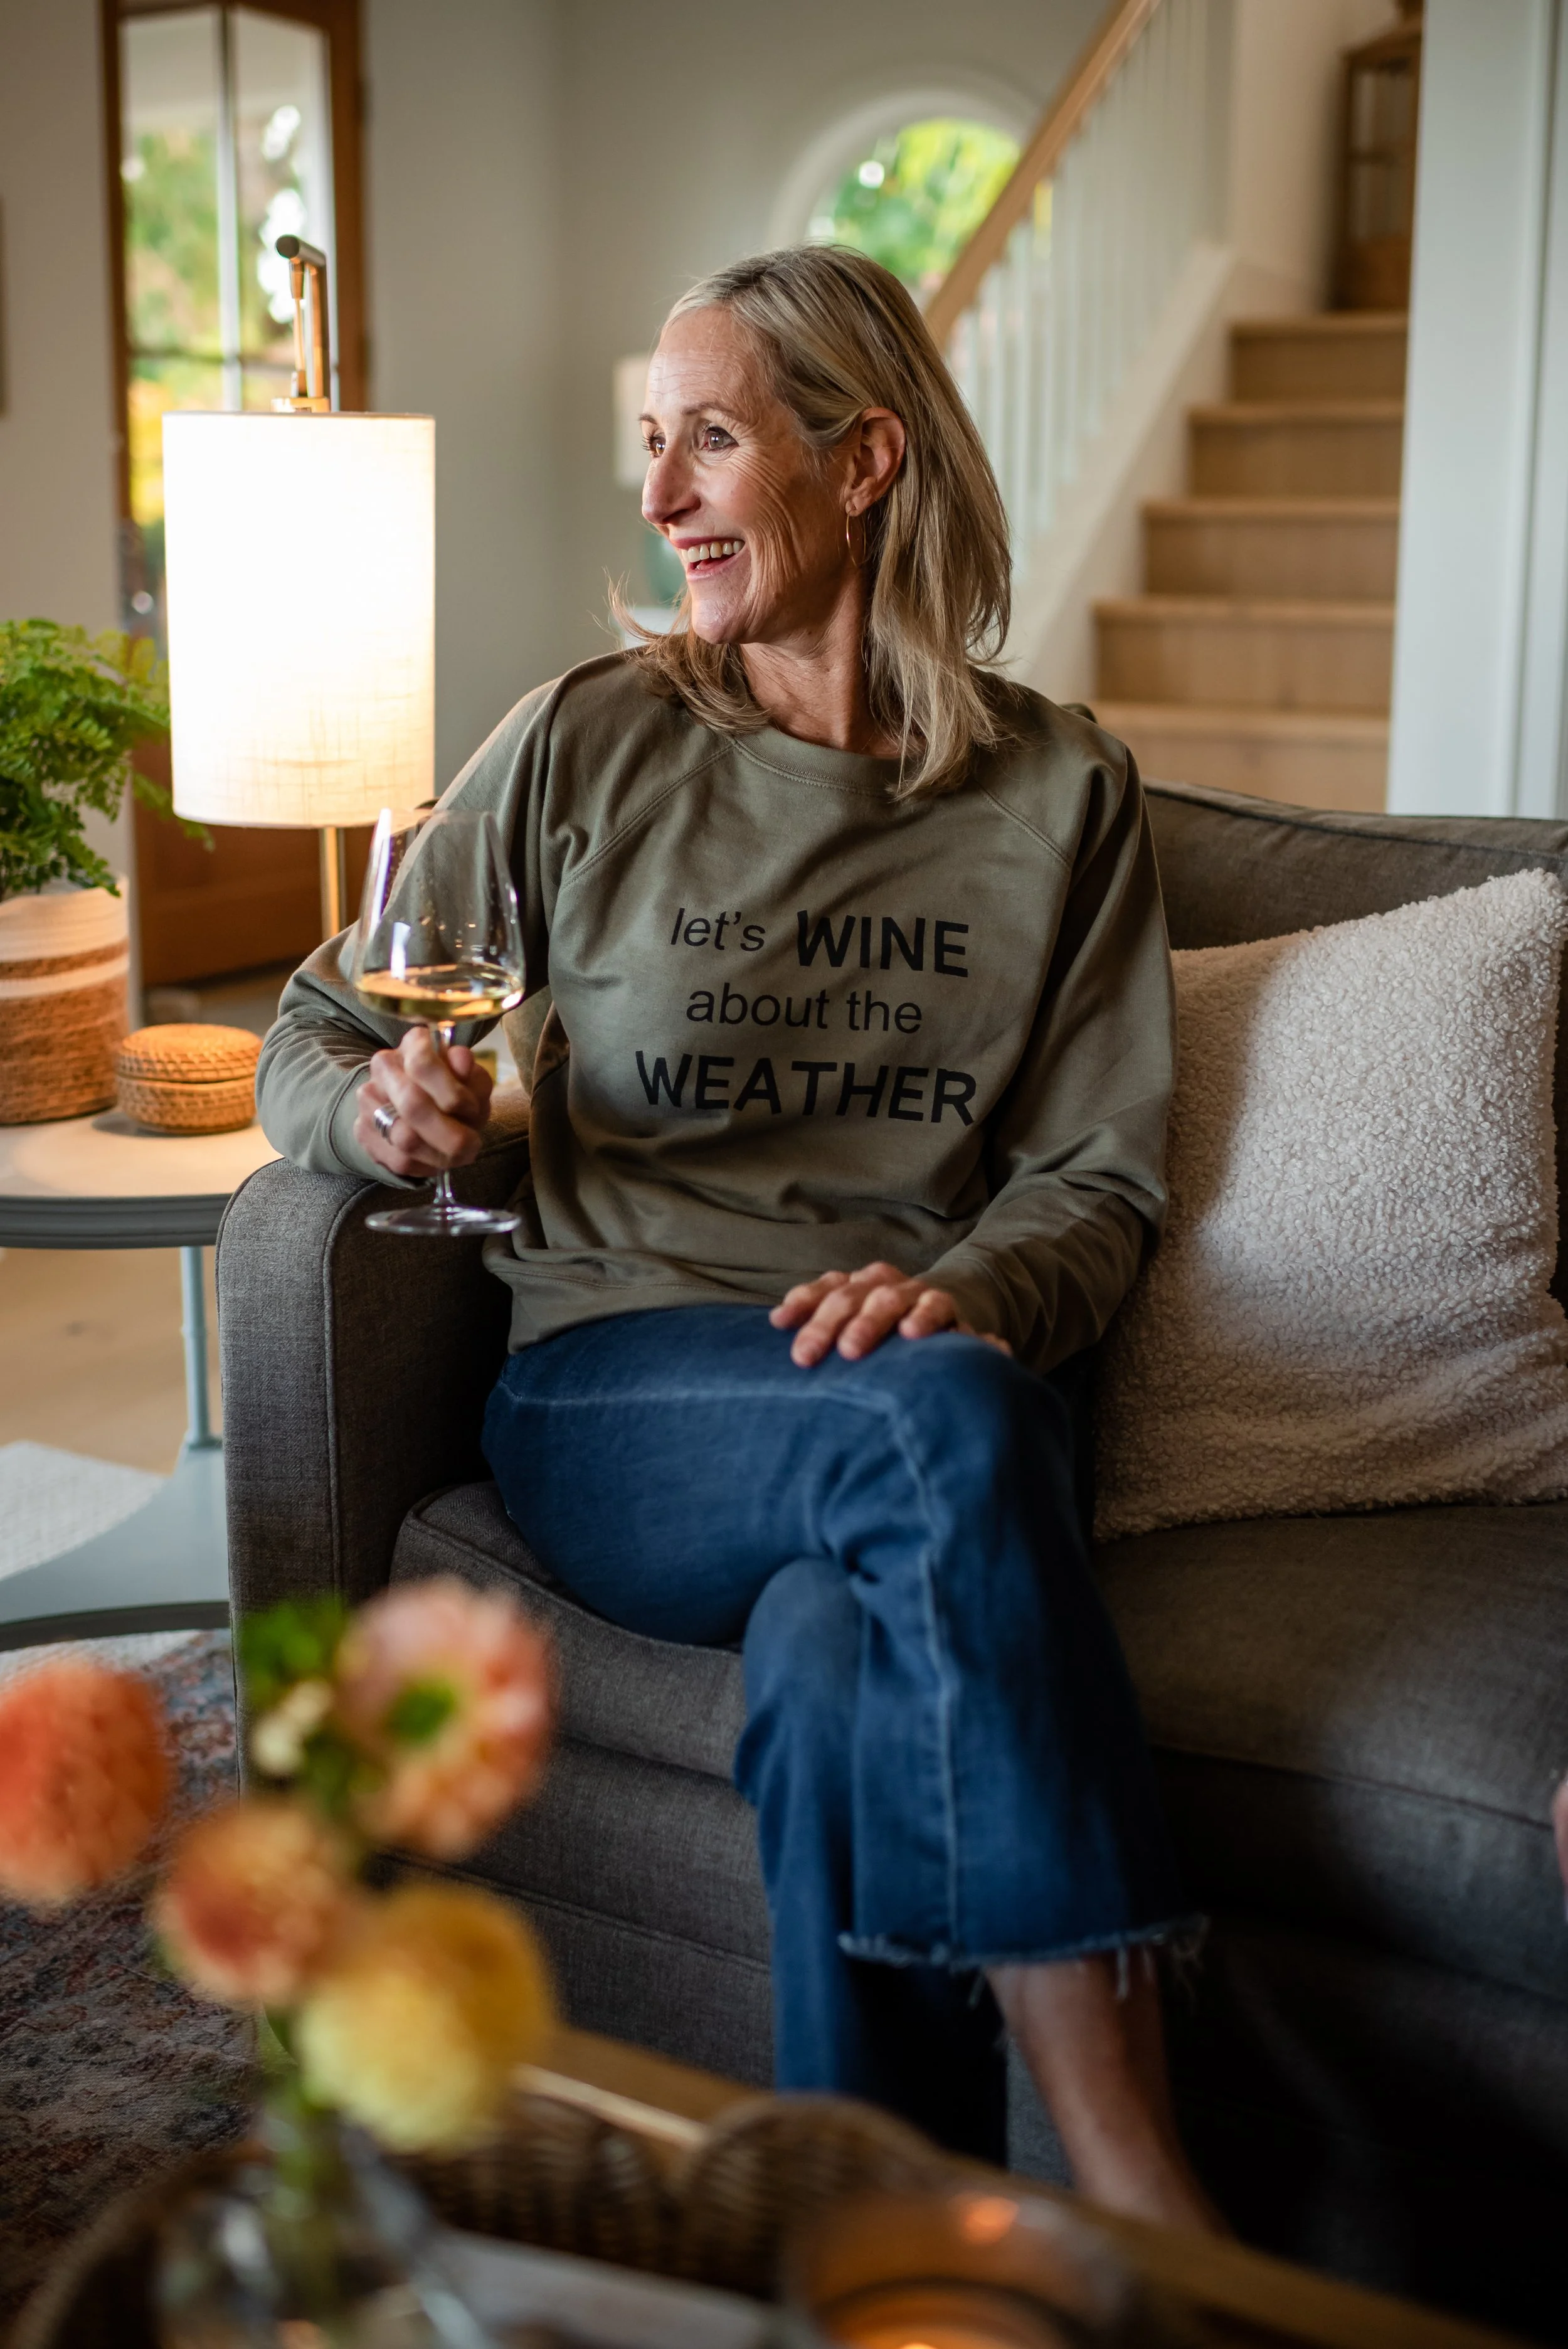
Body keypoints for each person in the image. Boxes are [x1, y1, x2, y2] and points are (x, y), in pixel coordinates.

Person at [258, 245, 1217, 2232]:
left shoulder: (1063, 795)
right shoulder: (589, 741)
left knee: (832, 1661)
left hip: (902, 1377)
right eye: (650, 444)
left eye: (711, 437)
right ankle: (1131, 2189)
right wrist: (370, 1109)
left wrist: (965, 1288)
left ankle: (875, 2243)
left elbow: (1097, 1179)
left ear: (862, 461)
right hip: (621, 1392)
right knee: (948, 1423)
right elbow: (321, 1018)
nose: (661, 492)